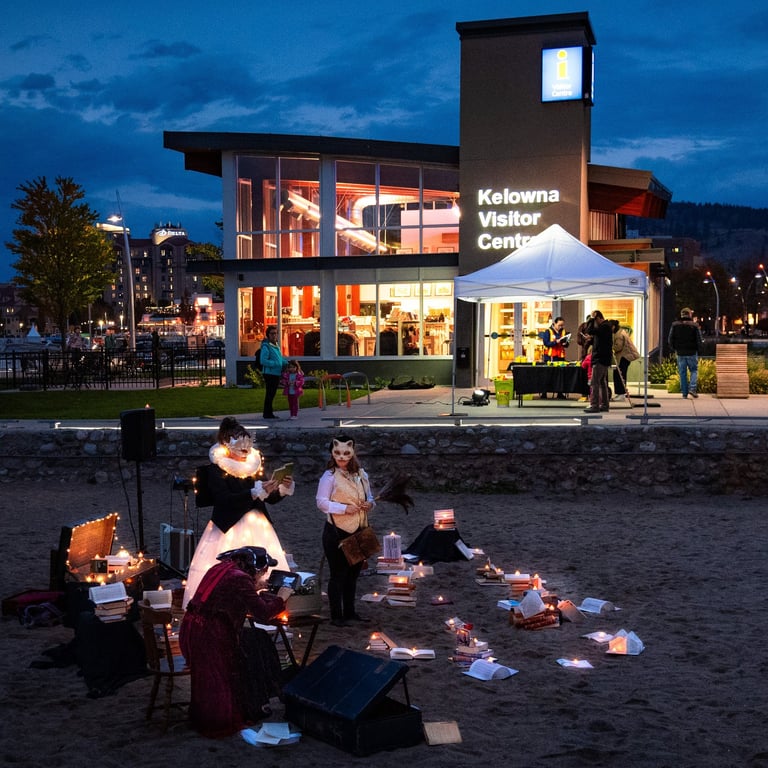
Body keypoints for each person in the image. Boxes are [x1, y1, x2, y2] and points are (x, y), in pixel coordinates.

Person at [180, 546, 293, 738]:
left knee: (207, 679)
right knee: (218, 678)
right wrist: (281, 599)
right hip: (210, 632)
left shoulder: (221, 569)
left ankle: (203, 717)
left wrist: (253, 588)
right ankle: (217, 722)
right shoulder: (239, 579)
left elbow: (226, 594)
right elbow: (263, 613)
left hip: (193, 626)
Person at [182, 417, 293, 608]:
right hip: (228, 528)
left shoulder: (253, 467)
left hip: (259, 527)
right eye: (241, 447)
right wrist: (252, 493)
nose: (245, 451)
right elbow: (223, 499)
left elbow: (269, 498)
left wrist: (282, 489)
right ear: (227, 444)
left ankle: (265, 605)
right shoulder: (217, 470)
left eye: (248, 447)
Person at [316, 436, 376, 627]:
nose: (342, 457)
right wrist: (343, 508)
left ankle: (350, 612)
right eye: (338, 453)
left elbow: (370, 497)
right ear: (332, 454)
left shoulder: (361, 475)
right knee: (338, 574)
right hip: (337, 532)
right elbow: (321, 502)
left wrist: (370, 504)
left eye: (346, 453)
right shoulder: (329, 476)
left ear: (353, 452)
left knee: (353, 574)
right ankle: (337, 616)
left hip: (359, 530)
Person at [668, 307, 703, 398]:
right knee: (694, 370)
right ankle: (692, 388)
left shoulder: (675, 325)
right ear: (690, 314)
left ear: (681, 314)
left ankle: (684, 393)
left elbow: (670, 339)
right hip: (692, 352)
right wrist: (699, 349)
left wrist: (674, 348)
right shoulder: (695, 325)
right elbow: (699, 339)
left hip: (680, 352)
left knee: (682, 373)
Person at [583, 310, 613, 413]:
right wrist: (591, 340)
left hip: (600, 358)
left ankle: (595, 405)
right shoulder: (605, 328)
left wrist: (591, 319)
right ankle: (604, 405)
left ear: (598, 318)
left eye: (595, 321)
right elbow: (599, 340)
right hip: (604, 358)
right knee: (602, 383)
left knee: (594, 382)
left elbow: (589, 330)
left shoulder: (604, 327)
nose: (594, 323)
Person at [539, 316, 569, 399]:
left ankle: (560, 393)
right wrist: (556, 342)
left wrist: (565, 343)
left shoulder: (563, 332)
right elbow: (546, 343)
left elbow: (567, 344)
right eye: (559, 325)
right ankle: (544, 393)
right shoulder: (548, 331)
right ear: (554, 324)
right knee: (547, 375)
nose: (561, 327)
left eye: (562, 325)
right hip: (550, 356)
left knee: (560, 375)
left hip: (560, 356)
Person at [610, 320, 640, 401]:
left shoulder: (619, 335)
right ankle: (620, 393)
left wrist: (610, 348)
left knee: (619, 374)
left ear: (613, 327)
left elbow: (618, 347)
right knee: (619, 374)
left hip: (625, 357)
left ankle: (621, 394)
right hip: (625, 356)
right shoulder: (620, 332)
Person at [260, 325, 285, 420]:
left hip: (275, 373)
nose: (274, 335)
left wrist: (287, 363)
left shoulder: (276, 345)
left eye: (276, 333)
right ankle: (267, 413)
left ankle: (269, 412)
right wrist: (275, 364)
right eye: (272, 333)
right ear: (268, 335)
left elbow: (279, 358)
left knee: (272, 394)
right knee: (270, 394)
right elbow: (263, 360)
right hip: (270, 373)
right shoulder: (266, 346)